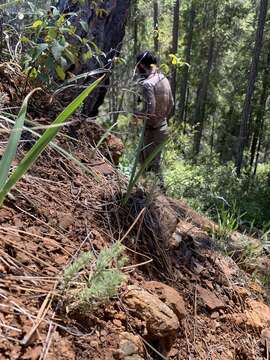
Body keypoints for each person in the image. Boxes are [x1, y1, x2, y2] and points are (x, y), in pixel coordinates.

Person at [134, 51, 174, 190]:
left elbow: (149, 112)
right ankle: (145, 191)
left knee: (152, 166)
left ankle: (159, 196)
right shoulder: (164, 79)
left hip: (153, 131)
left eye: (138, 67)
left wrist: (135, 114)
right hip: (162, 127)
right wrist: (162, 119)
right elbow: (171, 104)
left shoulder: (147, 84)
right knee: (145, 161)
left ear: (141, 66)